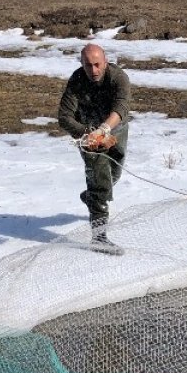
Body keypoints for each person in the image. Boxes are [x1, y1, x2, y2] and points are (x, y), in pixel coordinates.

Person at [57, 43, 131, 248]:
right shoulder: (77, 81)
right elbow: (64, 117)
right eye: (88, 65)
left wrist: (104, 130)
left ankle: (90, 197)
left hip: (116, 130)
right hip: (90, 138)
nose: (93, 70)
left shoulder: (118, 77)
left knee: (114, 174)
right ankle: (99, 237)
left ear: (105, 61)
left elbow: (122, 107)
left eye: (97, 64)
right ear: (82, 64)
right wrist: (87, 133)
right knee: (100, 182)